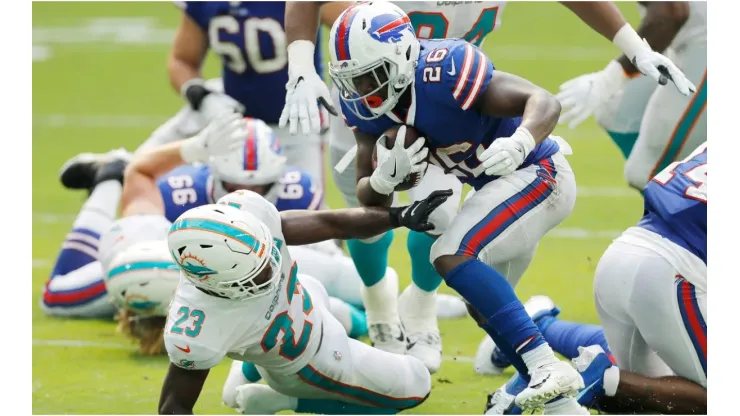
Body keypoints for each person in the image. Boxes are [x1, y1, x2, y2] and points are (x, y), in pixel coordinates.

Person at [278, 0, 695, 372]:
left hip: (448, 95)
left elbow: (542, 88)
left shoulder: (452, 67)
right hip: (378, 91)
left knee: (444, 228)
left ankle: (424, 307)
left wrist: (636, 51)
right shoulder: (360, 96)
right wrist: (300, 68)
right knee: (367, 213)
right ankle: (378, 300)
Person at [326, 2, 590, 412]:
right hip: (500, 190)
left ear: (401, 58)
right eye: (353, 80)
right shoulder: (366, 107)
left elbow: (542, 100)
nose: (363, 91)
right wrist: (382, 179)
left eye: (370, 76)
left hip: (539, 174)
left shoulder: (443, 71)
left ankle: (544, 366)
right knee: (482, 304)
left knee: (449, 253)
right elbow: (368, 198)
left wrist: (520, 140)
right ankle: (559, 405)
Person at [157, 189, 453, 415]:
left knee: (318, 292)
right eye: (257, 274)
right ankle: (286, 398)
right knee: (416, 384)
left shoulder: (247, 214)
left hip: (303, 301)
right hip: (305, 363)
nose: (272, 267)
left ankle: (247, 370)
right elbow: (173, 407)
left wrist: (397, 217)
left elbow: (331, 223)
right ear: (217, 284)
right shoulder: (197, 327)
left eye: (267, 255)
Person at [487, 143, 707, 415]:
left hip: (625, 252)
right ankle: (592, 378)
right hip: (672, 271)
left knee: (647, 404)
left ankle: (533, 378)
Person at [154, 1, 353, 195]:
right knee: (141, 169)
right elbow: (182, 60)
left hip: (297, 124)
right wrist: (200, 95)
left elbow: (357, 28)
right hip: (231, 125)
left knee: (304, 209)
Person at [557, 1, 706, 191]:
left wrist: (612, 77)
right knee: (616, 113)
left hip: (705, 44)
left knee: (648, 174)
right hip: (684, 39)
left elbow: (671, 10)